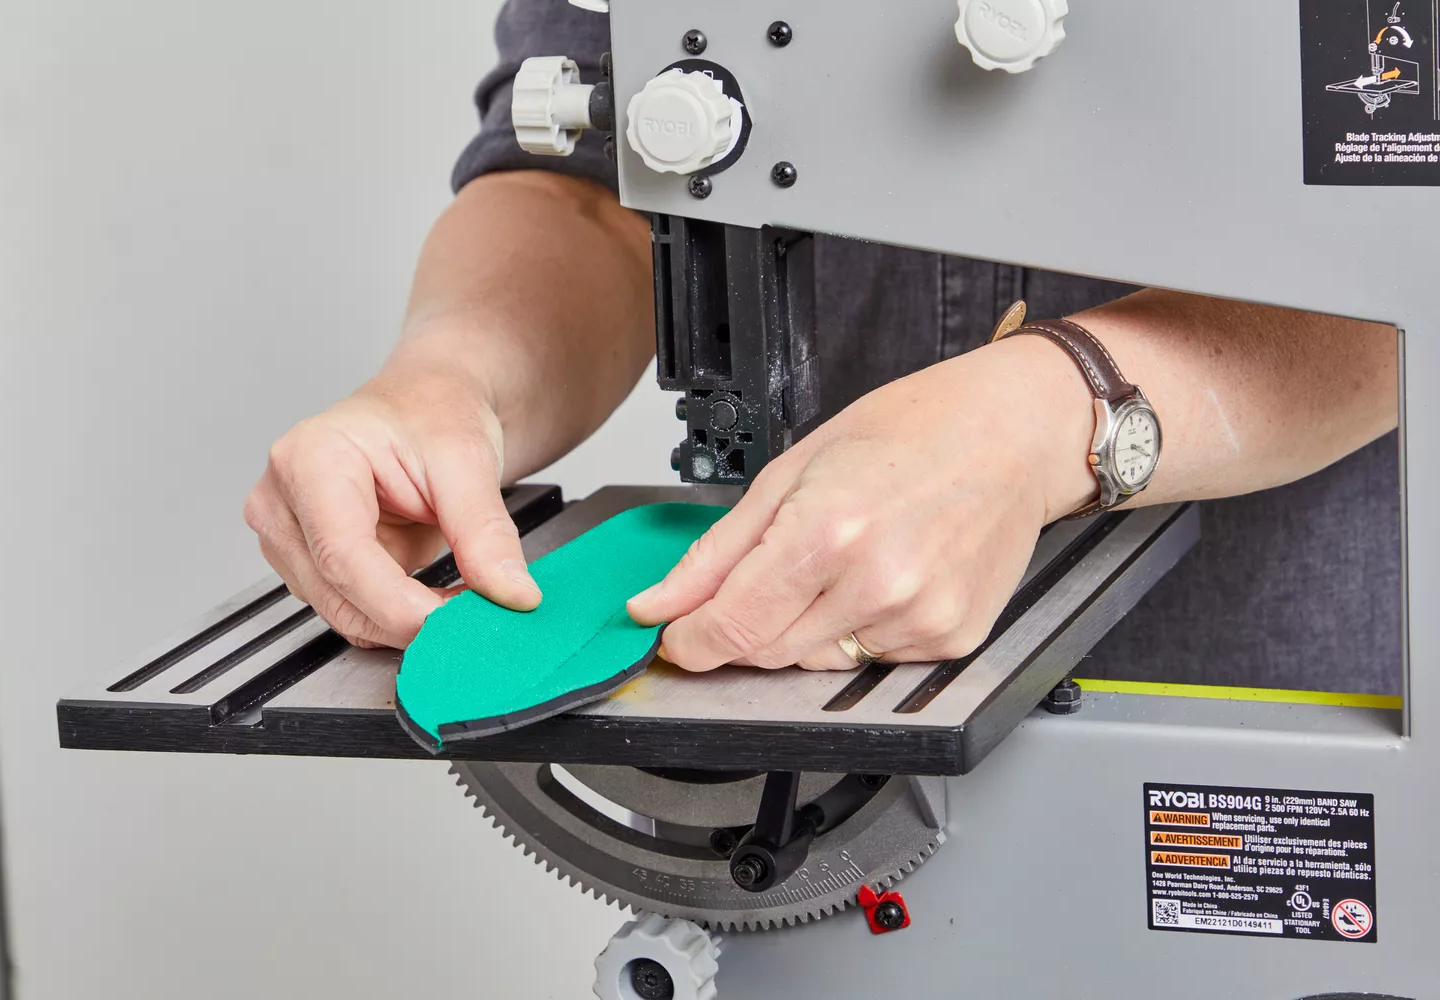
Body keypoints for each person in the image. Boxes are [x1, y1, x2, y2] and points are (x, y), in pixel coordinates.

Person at [243, 2, 1400, 690]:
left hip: (1276, 669)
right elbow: (598, 178)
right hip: (795, 704)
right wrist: (453, 375)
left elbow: (1404, 232)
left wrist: (1055, 412)